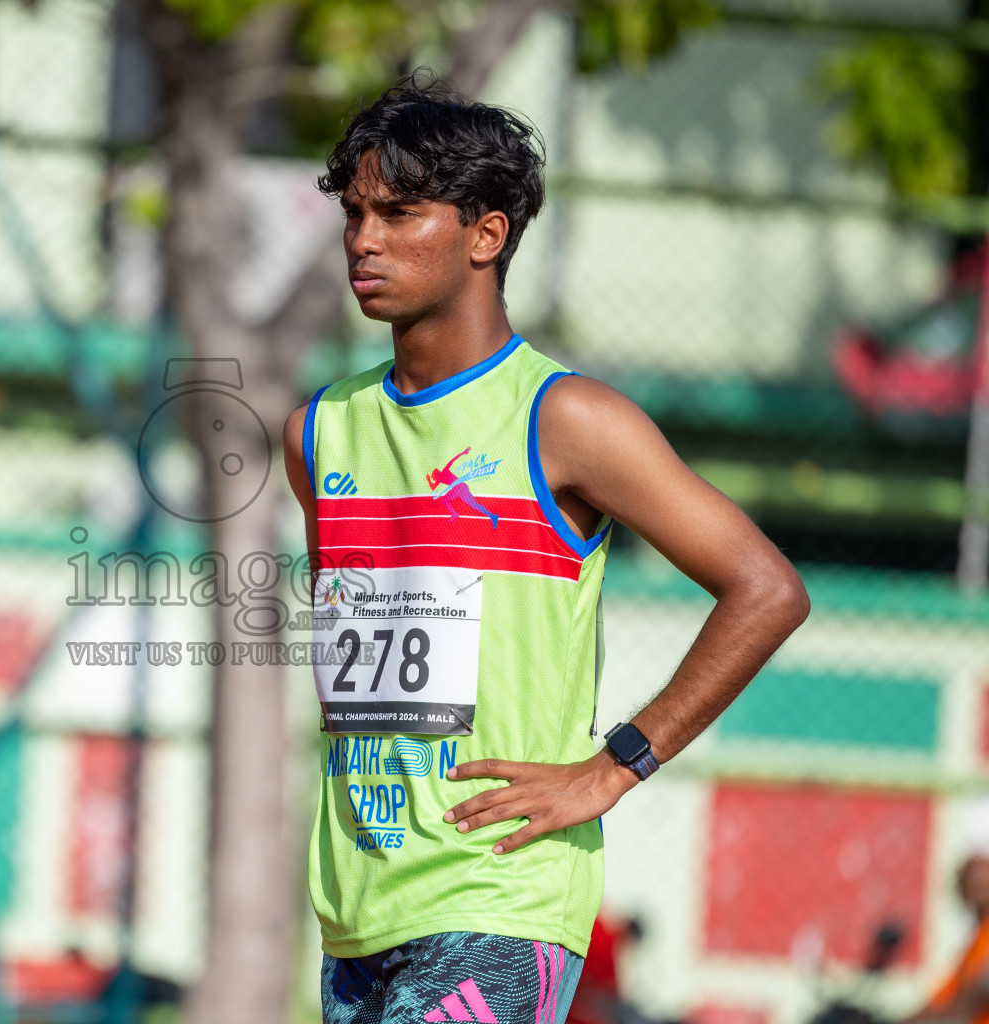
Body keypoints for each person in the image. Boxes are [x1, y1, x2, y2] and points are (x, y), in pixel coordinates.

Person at [281, 77, 810, 1024]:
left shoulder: (566, 419)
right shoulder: (319, 432)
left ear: (486, 236)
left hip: (500, 895)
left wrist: (611, 769)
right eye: (356, 213)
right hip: (357, 909)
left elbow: (765, 589)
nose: (364, 239)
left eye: (400, 213)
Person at [906, 855, 989, 1024]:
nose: (977, 884)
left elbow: (977, 995)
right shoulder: (977, 943)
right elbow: (947, 997)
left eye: (981, 879)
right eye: (971, 879)